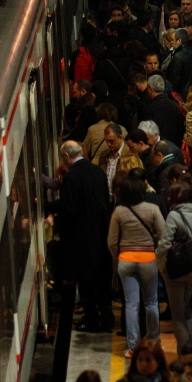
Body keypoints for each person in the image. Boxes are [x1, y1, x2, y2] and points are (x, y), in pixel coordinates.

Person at [55, 141, 114, 333]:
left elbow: (70, 210)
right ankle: (107, 318)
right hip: (102, 234)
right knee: (103, 282)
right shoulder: (98, 172)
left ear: (66, 157)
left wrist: (55, 223)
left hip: (81, 240)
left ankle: (91, 320)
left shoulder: (71, 178)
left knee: (87, 283)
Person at [108, 176, 166, 355]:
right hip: (148, 259)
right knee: (151, 302)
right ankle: (153, 342)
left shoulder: (118, 212)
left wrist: (118, 257)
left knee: (131, 304)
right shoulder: (153, 209)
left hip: (125, 260)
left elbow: (112, 241)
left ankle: (132, 347)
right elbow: (164, 235)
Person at [156, 181, 192, 348]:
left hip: (176, 270)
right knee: (187, 310)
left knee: (178, 315)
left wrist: (161, 264)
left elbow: (165, 245)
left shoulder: (173, 216)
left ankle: (185, 354)